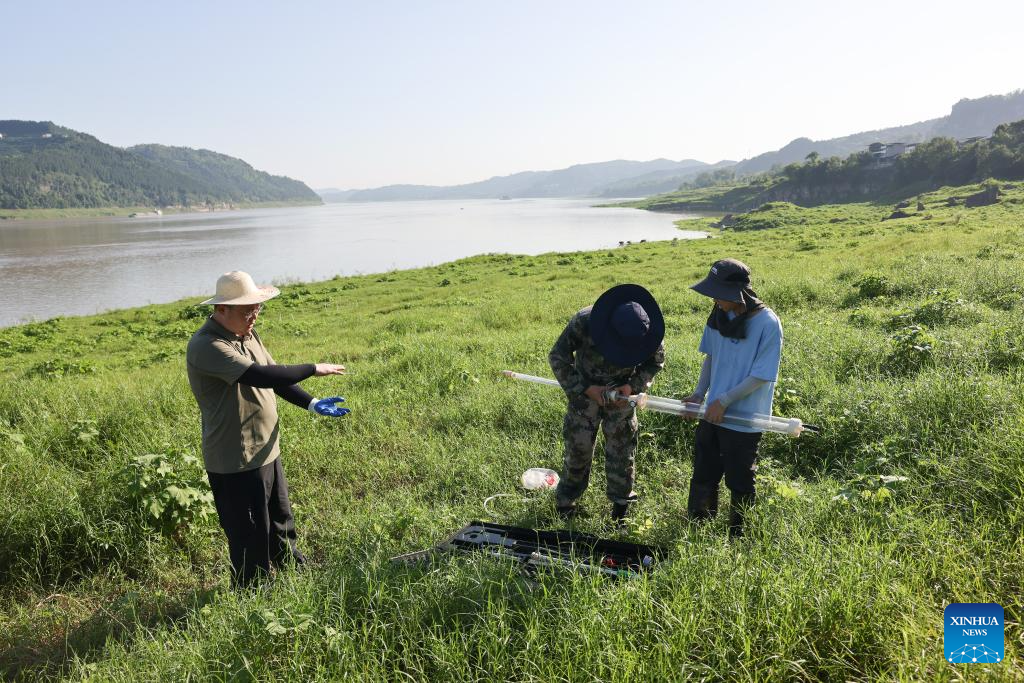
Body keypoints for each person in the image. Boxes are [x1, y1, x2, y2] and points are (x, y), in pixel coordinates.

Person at [186, 271, 350, 587]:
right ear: (221, 309)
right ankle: (254, 597)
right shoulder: (207, 345)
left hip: (266, 449)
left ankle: (296, 578)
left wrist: (312, 403)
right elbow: (261, 377)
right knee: (250, 536)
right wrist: (313, 369)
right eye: (246, 310)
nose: (254, 316)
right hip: (236, 459)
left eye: (257, 308)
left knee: (281, 523)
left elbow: (276, 378)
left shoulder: (248, 334)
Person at [681, 259, 782, 538]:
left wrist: (723, 401)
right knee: (704, 472)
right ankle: (699, 528)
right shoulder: (717, 315)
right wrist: (699, 395)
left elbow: (762, 375)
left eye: (718, 293)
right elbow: (711, 358)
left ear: (738, 293)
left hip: (743, 417)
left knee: (740, 480)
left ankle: (738, 536)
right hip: (712, 414)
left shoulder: (767, 323)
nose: (714, 298)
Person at [549, 284, 665, 523]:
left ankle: (621, 507)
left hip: (621, 397)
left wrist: (632, 386)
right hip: (585, 395)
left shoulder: (649, 330)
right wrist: (586, 389)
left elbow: (655, 363)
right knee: (578, 448)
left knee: (622, 450)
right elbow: (558, 357)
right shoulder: (584, 321)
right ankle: (566, 503)